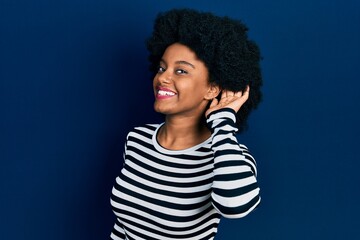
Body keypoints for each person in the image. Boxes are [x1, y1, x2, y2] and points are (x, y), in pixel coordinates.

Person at [110, 8, 263, 240]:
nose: (162, 78)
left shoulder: (228, 155)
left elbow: (236, 206)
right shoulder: (137, 140)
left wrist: (222, 122)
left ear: (212, 88)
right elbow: (124, 226)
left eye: (181, 71)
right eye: (162, 68)